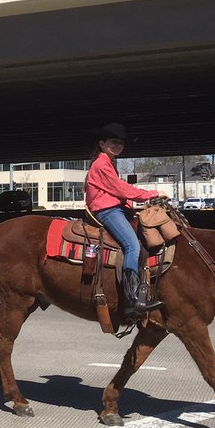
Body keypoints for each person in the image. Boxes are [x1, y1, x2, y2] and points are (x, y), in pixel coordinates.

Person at [85, 123, 160, 317]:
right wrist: (148, 194)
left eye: (120, 143)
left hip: (116, 208)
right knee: (132, 246)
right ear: (102, 143)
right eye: (113, 142)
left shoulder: (109, 163)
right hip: (107, 211)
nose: (117, 146)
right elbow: (120, 189)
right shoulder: (101, 165)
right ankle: (131, 299)